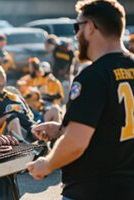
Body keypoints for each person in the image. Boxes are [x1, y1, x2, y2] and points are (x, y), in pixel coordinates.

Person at [27, 1, 134, 199]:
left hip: (92, 190)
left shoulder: (93, 76)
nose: (76, 35)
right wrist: (61, 129)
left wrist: (46, 164)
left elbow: (76, 143)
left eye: (78, 27)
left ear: (91, 27)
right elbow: (114, 123)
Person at [0, 65, 36, 141]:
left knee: (54, 110)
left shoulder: (14, 95)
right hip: (5, 135)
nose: (0, 77)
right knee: (14, 120)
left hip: (28, 128)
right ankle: (23, 148)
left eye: (1, 74)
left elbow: (30, 116)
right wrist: (8, 116)